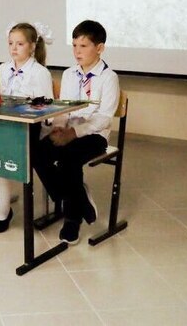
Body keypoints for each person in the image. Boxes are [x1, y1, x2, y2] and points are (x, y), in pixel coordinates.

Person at [31, 20, 119, 245]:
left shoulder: (109, 77)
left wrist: (73, 133)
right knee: (36, 152)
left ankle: (73, 219)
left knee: (68, 160)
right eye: (74, 46)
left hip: (94, 136)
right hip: (68, 131)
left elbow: (103, 118)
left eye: (83, 46)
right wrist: (59, 128)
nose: (77, 51)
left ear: (99, 48)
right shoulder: (70, 74)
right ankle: (79, 197)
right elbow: (64, 109)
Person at [0, 22, 52, 233]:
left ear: (32, 46)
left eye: (20, 44)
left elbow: (46, 108)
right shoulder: (5, 68)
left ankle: (4, 209)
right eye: (11, 43)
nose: (14, 48)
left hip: (28, 128)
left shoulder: (40, 72)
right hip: (7, 123)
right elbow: (4, 98)